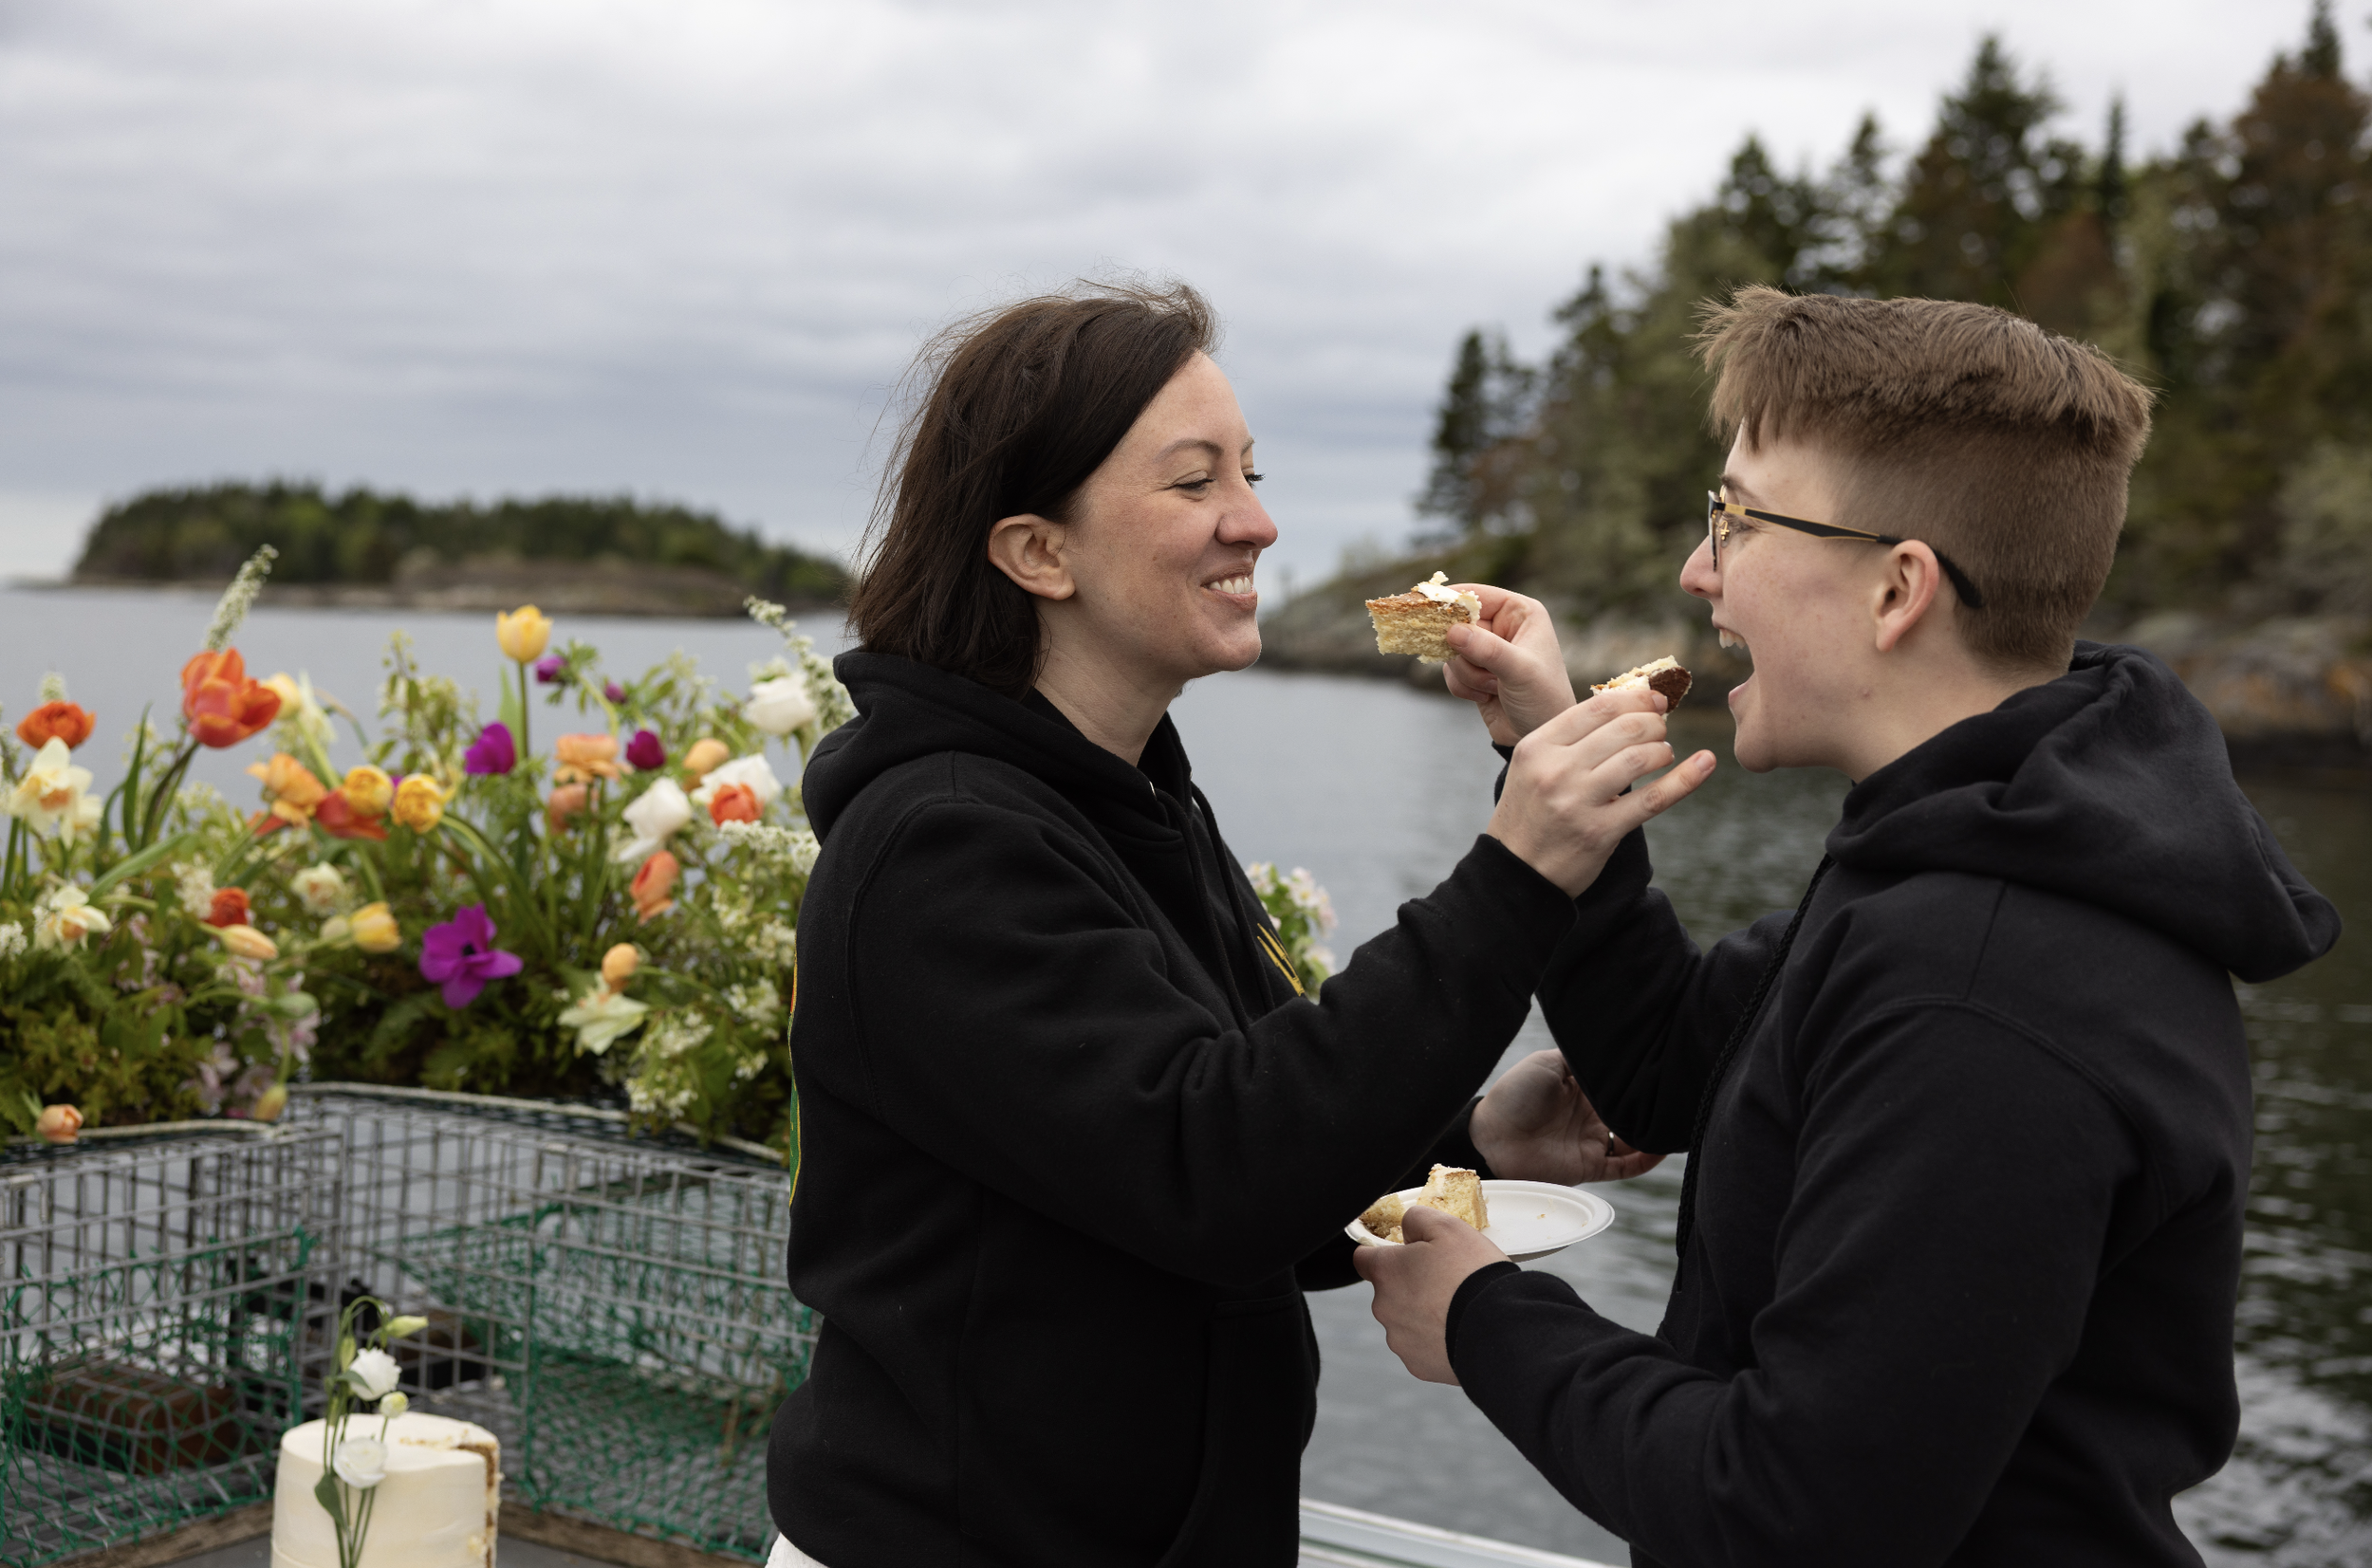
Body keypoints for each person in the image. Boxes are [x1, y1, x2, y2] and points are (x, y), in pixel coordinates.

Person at [1357, 286, 2344, 1567]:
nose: (1697, 568)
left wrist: (1489, 1323)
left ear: (1897, 591)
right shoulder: (1953, 859)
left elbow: (1796, 1515)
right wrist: (1547, 743)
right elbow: (1659, 1070)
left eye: (1736, 520)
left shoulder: (1983, 990)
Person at [764, 281, 1696, 1568]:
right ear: (1040, 553)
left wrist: (1477, 1141)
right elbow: (1216, 1178)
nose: (1255, 523)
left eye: (1250, 472)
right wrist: (1520, 870)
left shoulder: (1130, 794)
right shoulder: (941, 847)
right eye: (1194, 483)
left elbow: (1240, 1150)